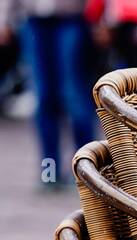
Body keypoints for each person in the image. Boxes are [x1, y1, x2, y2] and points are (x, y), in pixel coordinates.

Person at [0, 0, 99, 187]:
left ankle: (87, 171)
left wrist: (104, 19)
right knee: (43, 98)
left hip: (73, 17)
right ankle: (49, 173)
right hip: (33, 20)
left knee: (74, 96)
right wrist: (4, 18)